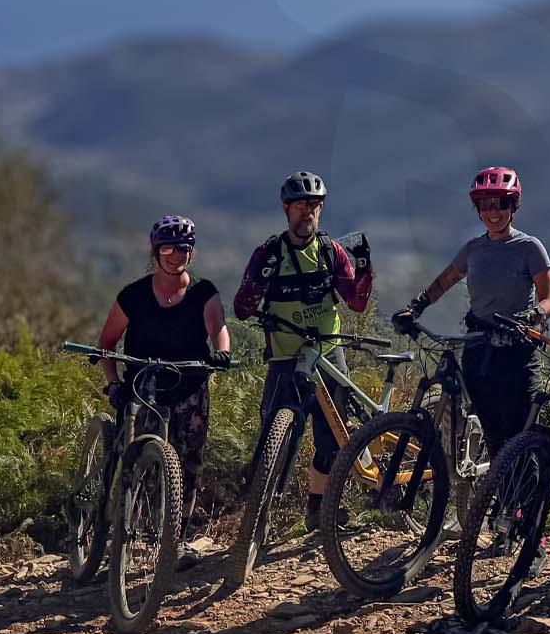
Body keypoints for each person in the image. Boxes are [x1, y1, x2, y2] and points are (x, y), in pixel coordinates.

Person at [229, 171, 375, 531]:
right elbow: (242, 308)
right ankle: (259, 515)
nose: (306, 212)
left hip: (329, 355)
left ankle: (317, 511)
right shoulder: (269, 253)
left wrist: (365, 268)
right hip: (286, 356)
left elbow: (355, 303)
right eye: (298, 205)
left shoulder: (331, 252)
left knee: (331, 438)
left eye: (313, 205)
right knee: (276, 434)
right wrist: (257, 282)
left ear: (320, 209)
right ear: (286, 209)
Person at [393, 167, 550, 457]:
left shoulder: (530, 247)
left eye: (502, 204)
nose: (494, 212)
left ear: (513, 206)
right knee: (493, 433)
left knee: (520, 431)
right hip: (480, 348)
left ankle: (527, 497)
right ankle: (500, 495)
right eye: (486, 205)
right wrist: (416, 307)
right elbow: (444, 281)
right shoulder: (473, 249)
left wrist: (534, 315)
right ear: (478, 209)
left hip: (519, 350)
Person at [94, 215, 232, 539]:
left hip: (188, 385)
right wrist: (113, 383)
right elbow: (107, 344)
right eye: (168, 248)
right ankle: (116, 524)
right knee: (130, 456)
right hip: (142, 386)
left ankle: (176, 539)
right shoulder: (133, 296)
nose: (176, 254)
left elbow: (219, 329)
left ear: (191, 252)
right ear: (155, 252)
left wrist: (222, 352)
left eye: (183, 248)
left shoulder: (203, 293)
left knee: (189, 465)